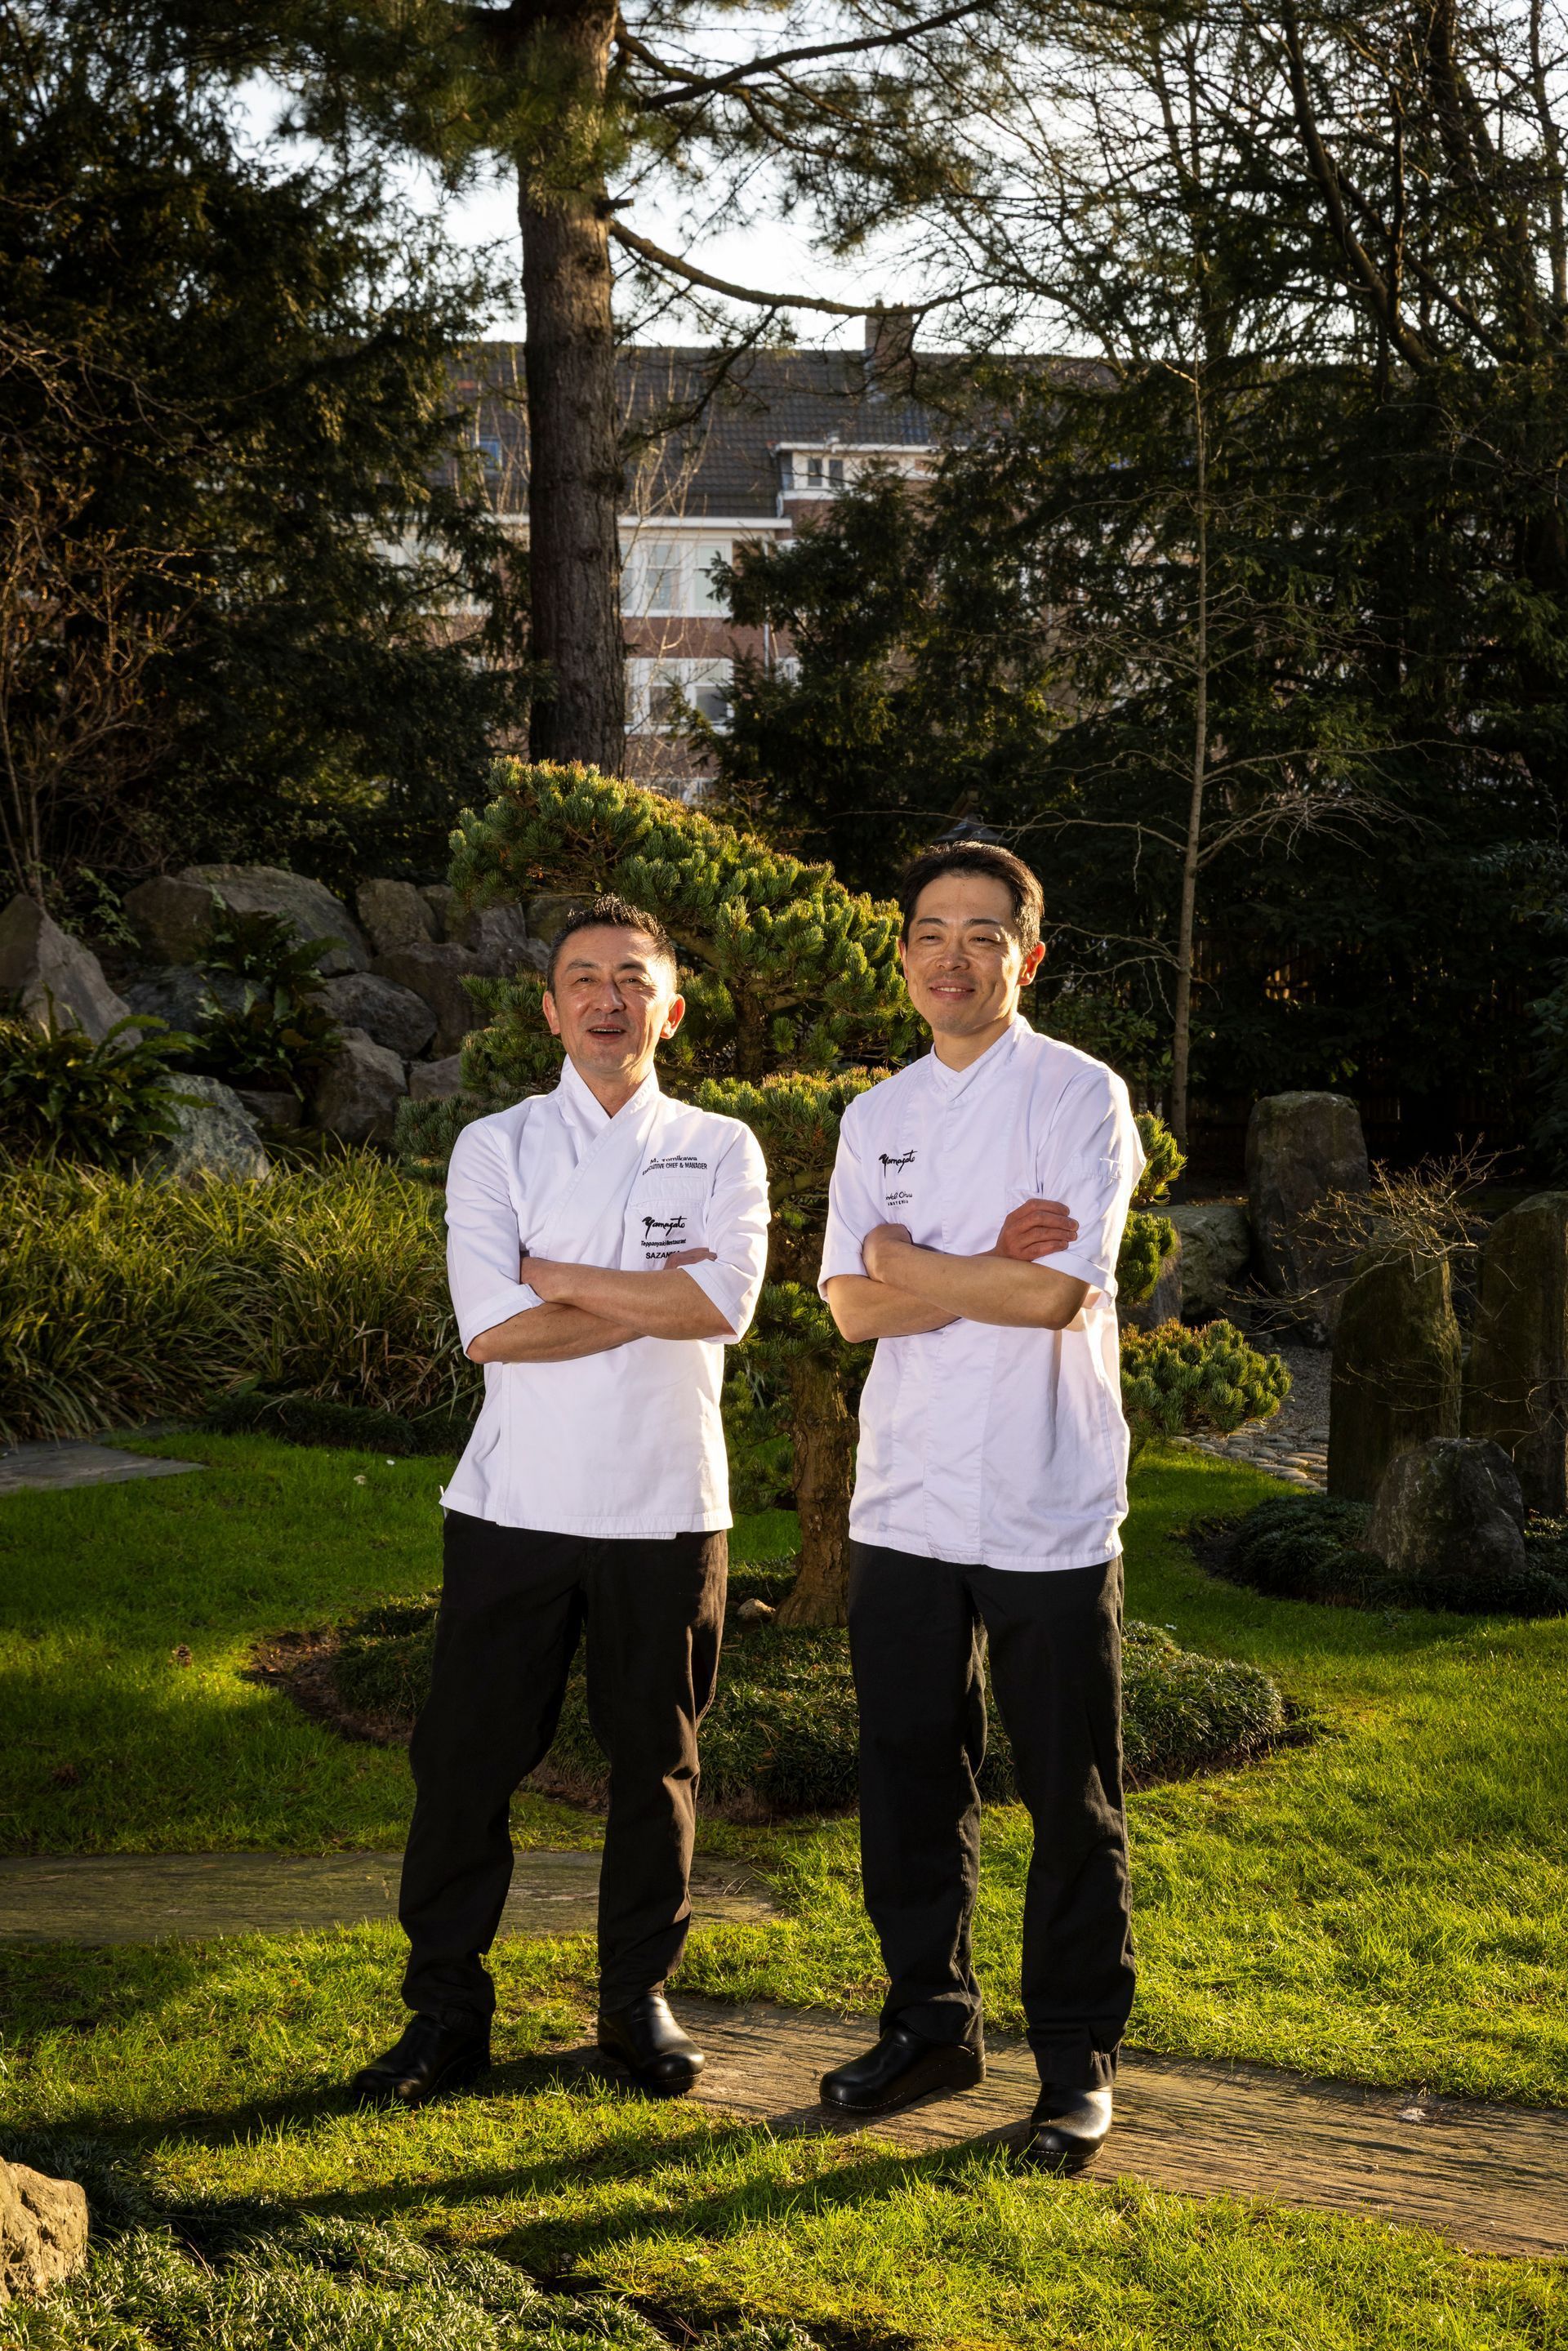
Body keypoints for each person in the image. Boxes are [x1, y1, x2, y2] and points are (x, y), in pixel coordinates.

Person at [352, 894, 769, 2108]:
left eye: (633, 979)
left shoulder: (721, 1146)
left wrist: (559, 1278)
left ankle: (637, 2004)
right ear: (548, 1006)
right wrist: (644, 1291)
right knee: (466, 1767)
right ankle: (444, 2015)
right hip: (513, 1507)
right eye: (583, 977)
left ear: (671, 1009)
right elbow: (492, 1331)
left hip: (668, 1505)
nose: (607, 998)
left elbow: (719, 1308)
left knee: (657, 1768)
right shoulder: (497, 1145)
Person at [816, 840, 1145, 2173]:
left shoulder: (1082, 1097)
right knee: (906, 1780)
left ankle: (1074, 2064)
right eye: (931, 933)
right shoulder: (872, 1115)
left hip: (1047, 1500)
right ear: (903, 953)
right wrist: (963, 1262)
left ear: (1029, 955)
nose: (955, 956)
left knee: (1069, 1797)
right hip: (901, 1500)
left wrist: (909, 1260)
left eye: (984, 935)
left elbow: (1056, 1295)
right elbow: (847, 1309)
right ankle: (932, 2023)